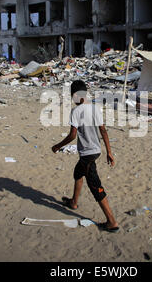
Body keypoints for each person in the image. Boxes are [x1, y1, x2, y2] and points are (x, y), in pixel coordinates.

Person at [51, 80, 119, 232]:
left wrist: (57, 146)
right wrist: (109, 152)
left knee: (95, 187)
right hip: (95, 151)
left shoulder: (76, 112)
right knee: (78, 173)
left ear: (75, 95)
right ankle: (74, 202)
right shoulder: (95, 108)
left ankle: (112, 222)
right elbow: (103, 131)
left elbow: (72, 136)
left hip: (88, 153)